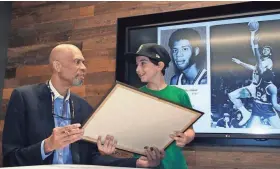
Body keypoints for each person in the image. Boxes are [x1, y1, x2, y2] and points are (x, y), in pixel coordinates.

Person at [2, 44, 164, 167]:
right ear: (57, 66)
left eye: (84, 63)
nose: (84, 68)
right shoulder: (24, 97)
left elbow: (91, 158)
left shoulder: (83, 107)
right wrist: (48, 146)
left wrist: (136, 164)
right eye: (77, 62)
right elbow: (10, 158)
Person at [123, 43, 196, 169]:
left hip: (175, 164)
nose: (137, 69)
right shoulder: (135, 96)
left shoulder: (180, 94)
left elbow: (190, 129)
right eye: (137, 64)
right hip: (144, 164)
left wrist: (186, 138)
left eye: (143, 63)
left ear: (159, 65)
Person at [228, 21, 273, 126]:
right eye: (264, 49)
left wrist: (256, 46)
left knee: (267, 116)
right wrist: (253, 33)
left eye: (267, 50)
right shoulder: (259, 60)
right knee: (232, 95)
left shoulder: (269, 62)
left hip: (261, 89)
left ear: (270, 53)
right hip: (253, 86)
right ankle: (245, 113)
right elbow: (254, 65)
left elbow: (260, 68)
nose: (265, 50)